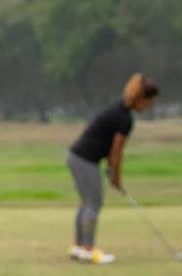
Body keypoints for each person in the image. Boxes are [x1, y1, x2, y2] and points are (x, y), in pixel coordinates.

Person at [66, 73, 161, 264]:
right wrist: (115, 176)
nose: (150, 106)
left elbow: (111, 152)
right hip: (85, 159)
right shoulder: (125, 119)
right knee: (93, 204)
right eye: (150, 102)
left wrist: (112, 174)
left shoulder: (119, 109)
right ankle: (88, 249)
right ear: (142, 99)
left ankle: (79, 247)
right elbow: (116, 152)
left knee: (87, 203)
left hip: (76, 157)